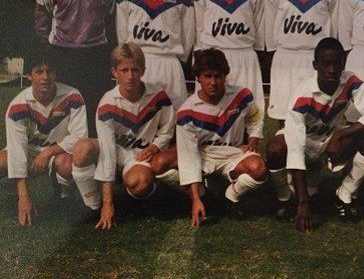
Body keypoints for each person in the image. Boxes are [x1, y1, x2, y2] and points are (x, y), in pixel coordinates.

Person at [266, 37, 364, 233]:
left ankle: (344, 194)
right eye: (325, 64)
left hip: (330, 140)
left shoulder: (352, 81)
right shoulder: (302, 95)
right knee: (275, 148)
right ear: (315, 65)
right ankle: (285, 199)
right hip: (304, 142)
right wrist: (303, 203)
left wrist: (340, 135)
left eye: (336, 63)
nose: (331, 70)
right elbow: (295, 148)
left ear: (343, 64)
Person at [71, 43, 178, 229]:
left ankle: (150, 197)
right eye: (124, 70)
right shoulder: (107, 104)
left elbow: (167, 129)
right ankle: (94, 207)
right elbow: (108, 152)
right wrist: (107, 203)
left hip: (139, 156)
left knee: (140, 183)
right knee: (81, 149)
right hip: (113, 151)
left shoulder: (159, 97)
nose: (130, 76)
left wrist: (157, 146)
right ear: (115, 72)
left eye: (135, 70)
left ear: (143, 71)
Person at [34, 0, 118, 136]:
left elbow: (111, 23)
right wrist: (49, 52)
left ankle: (88, 162)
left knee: (93, 115)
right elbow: (41, 21)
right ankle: (60, 163)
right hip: (62, 55)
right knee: (62, 115)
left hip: (95, 56)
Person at [177, 48, 266, 226]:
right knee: (168, 168)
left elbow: (255, 117)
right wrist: (195, 199)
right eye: (207, 76)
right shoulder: (186, 111)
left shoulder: (242, 96)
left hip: (233, 153)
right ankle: (204, 196)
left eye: (218, 76)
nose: (213, 82)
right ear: (198, 77)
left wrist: (253, 140)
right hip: (203, 155)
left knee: (259, 169)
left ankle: (230, 196)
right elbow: (189, 158)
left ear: (226, 75)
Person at [0, 49, 87, 226]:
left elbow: (79, 136)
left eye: (50, 71)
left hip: (57, 153)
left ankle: (63, 195)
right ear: (29, 75)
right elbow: (17, 150)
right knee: (2, 160)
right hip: (29, 152)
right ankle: (13, 190)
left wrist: (48, 153)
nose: (45, 77)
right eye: (39, 71)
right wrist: (24, 196)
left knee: (67, 163)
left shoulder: (73, 96)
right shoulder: (18, 106)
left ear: (56, 73)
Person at [265, 0, 340, 125]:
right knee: (284, 118)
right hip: (286, 58)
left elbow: (335, 30)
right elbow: (270, 32)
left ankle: (317, 156)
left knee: (317, 119)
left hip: (316, 61)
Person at [116, 0, 195, 111]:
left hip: (169, 65)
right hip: (137, 64)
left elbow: (187, 39)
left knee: (174, 124)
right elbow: (122, 39)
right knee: (136, 121)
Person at [192, 0, 266, 115]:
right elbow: (199, 31)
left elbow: (259, 31)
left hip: (244, 56)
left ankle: (249, 145)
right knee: (209, 114)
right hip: (213, 58)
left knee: (249, 113)